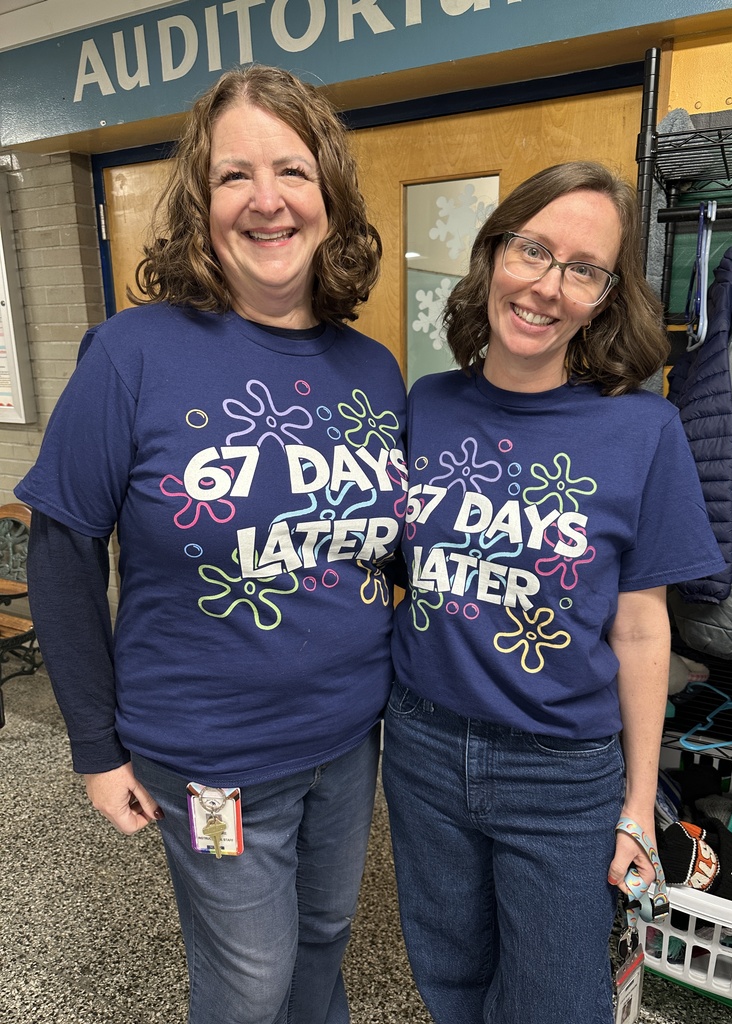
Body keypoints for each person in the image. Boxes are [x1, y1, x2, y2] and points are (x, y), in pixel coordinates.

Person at [17, 64, 406, 1024]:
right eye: (236, 175)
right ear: (201, 201)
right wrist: (95, 746)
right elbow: (62, 552)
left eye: (292, 171)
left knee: (326, 936)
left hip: (349, 735)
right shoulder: (133, 353)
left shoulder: (371, 369)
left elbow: (384, 548)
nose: (267, 200)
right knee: (250, 978)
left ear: (330, 195)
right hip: (210, 752)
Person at [381, 161, 725, 1024]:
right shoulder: (427, 405)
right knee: (450, 981)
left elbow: (642, 632)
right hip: (422, 745)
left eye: (583, 269)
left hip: (562, 772)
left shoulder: (643, 430)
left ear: (605, 298)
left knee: (557, 1005)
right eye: (532, 250)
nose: (546, 286)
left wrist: (638, 803)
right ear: (493, 253)